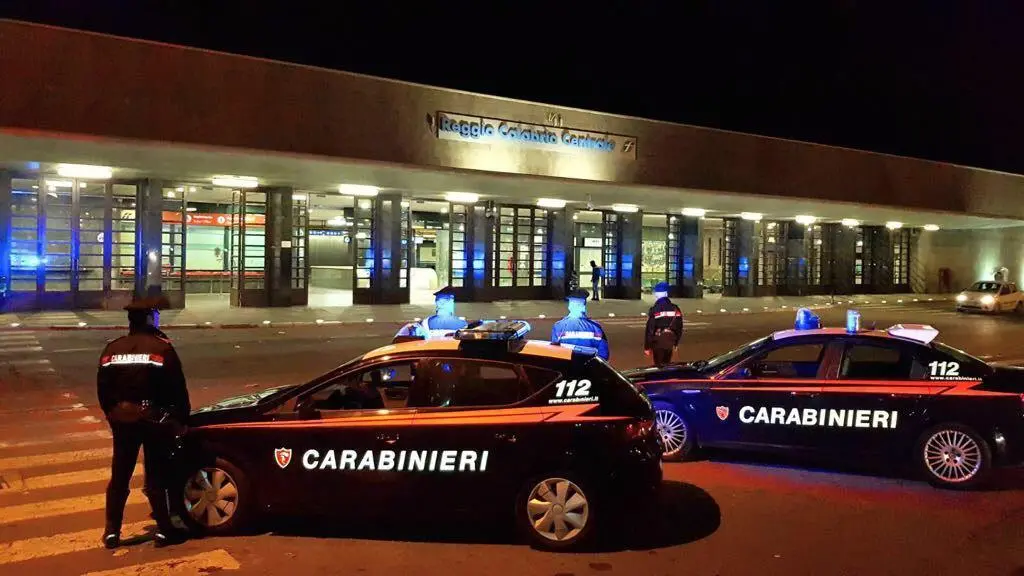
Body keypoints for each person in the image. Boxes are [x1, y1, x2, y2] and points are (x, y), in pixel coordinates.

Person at [97, 295, 190, 549]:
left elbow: (103, 388)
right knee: (157, 475)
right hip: (154, 419)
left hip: (122, 419)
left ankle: (112, 531)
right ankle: (164, 529)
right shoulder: (161, 348)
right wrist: (181, 419)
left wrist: (113, 413)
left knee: (120, 475)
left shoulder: (113, 348)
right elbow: (177, 388)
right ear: (149, 318)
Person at [551, 288, 610, 360]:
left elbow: (555, 352)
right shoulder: (595, 328)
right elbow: (603, 355)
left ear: (570, 306)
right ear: (584, 306)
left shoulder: (559, 326)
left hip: (567, 366)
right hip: (588, 366)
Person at [644, 282, 683, 367]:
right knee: (667, 364)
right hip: (670, 341)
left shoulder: (655, 309)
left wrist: (647, 347)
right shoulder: (675, 308)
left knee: (658, 366)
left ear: (656, 294)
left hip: (657, 342)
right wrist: (676, 343)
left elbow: (650, 329)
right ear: (666, 294)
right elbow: (679, 328)